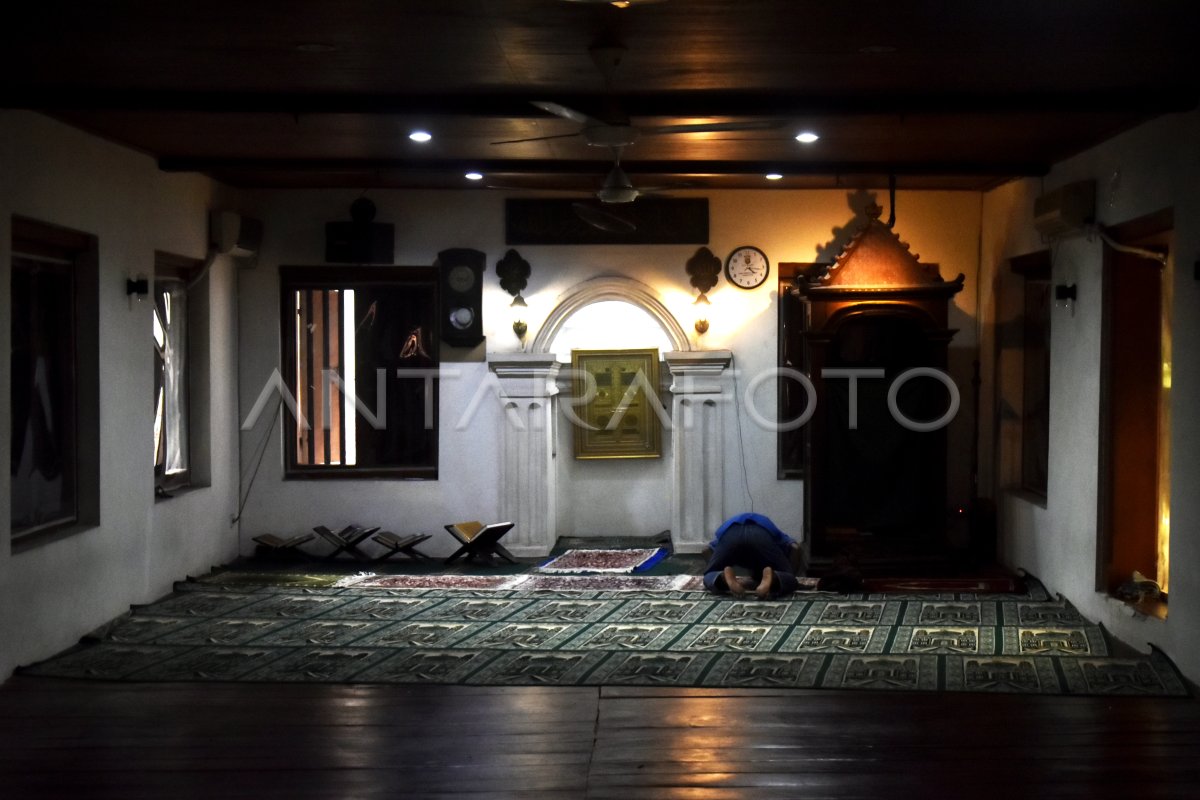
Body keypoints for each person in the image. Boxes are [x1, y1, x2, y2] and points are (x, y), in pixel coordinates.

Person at [702, 512, 805, 599]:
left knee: (709, 576)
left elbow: (706, 550)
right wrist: (791, 575)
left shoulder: (733, 524)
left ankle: (722, 577)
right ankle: (773, 576)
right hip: (761, 535)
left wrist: (714, 568)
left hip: (730, 534)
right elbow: (796, 548)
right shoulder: (777, 535)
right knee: (789, 580)